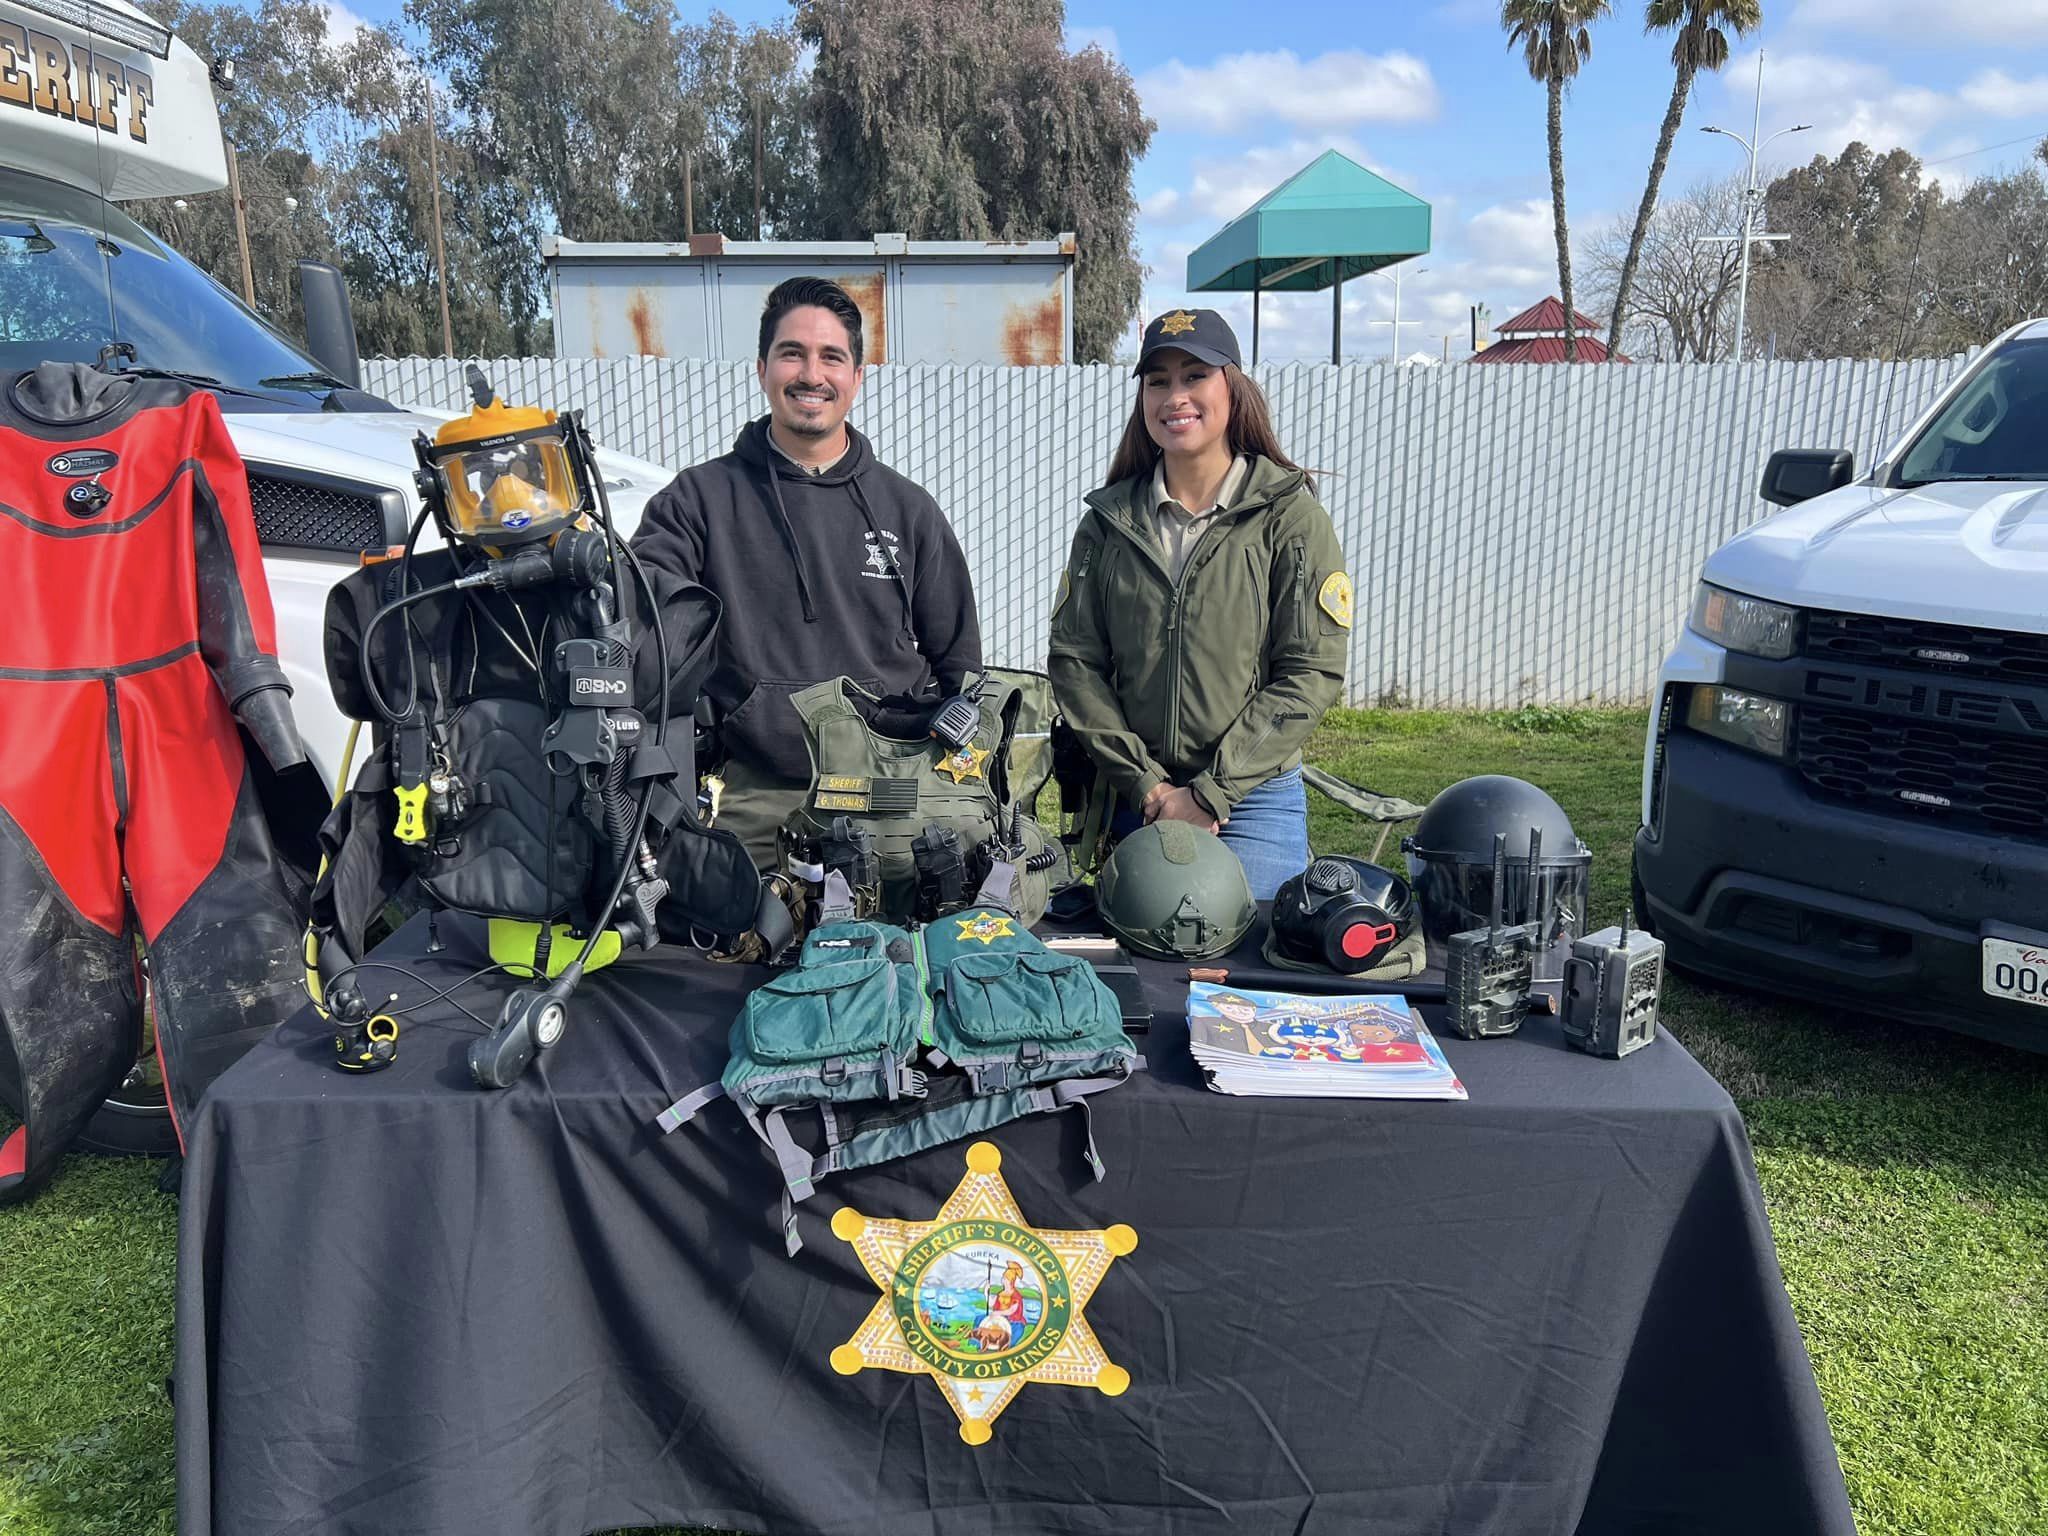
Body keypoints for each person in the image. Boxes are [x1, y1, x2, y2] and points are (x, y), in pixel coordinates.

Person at [632, 277, 982, 863]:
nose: (811, 375)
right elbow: (645, 617)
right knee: (723, 910)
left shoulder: (908, 509)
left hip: (892, 783)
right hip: (754, 788)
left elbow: (960, 664)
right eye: (792, 353)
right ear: (762, 368)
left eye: (831, 357)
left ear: (857, 377)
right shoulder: (696, 501)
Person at [1048, 308, 1349, 902]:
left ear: (1232, 387)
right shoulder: (1108, 524)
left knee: (1248, 952)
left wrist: (1212, 792)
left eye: (1195, 376)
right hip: (1139, 796)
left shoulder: (1289, 517)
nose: (1175, 397)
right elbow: (1076, 662)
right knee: (1142, 953)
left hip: (1253, 800)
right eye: (1157, 380)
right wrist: (1147, 784)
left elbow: (1310, 671)